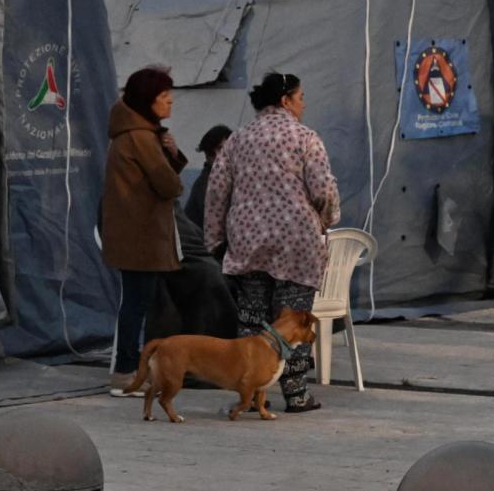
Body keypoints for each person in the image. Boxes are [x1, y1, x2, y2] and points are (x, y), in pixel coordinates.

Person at [203, 72, 340, 412]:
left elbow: (217, 193)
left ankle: (249, 395)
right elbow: (323, 189)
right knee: (294, 320)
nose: (303, 104)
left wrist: (215, 240)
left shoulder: (236, 140)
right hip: (297, 244)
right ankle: (296, 395)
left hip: (248, 242)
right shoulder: (305, 138)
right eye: (301, 97)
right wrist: (327, 219)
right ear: (285, 101)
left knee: (252, 321)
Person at [100, 66, 187, 396]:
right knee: (135, 304)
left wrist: (172, 153)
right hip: (141, 234)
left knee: (136, 302)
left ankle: (132, 366)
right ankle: (125, 371)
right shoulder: (139, 137)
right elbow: (167, 184)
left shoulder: (139, 134)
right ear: (148, 101)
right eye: (164, 97)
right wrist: (173, 169)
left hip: (136, 233)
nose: (170, 103)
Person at [184, 124, 232, 231]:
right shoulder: (205, 184)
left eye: (221, 148)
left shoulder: (239, 175)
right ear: (206, 156)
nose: (217, 156)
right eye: (211, 153)